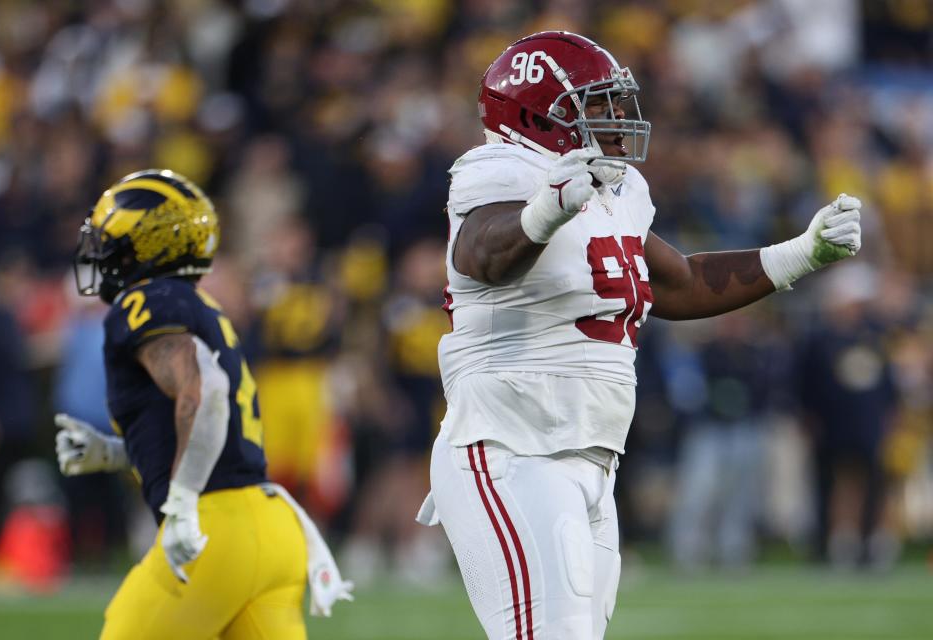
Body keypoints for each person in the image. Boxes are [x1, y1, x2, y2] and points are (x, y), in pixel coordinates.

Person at [416, 31, 862, 640]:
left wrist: (801, 254)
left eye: (616, 102)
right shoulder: (500, 169)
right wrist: (546, 209)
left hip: (590, 455)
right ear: (536, 114)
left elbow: (675, 284)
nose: (617, 118)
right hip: (510, 445)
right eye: (596, 105)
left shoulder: (615, 188)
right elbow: (479, 254)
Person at [54, 169, 351, 639]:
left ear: (147, 245)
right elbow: (210, 423)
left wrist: (183, 500)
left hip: (215, 531)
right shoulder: (198, 305)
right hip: (271, 528)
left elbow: (207, 392)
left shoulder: (146, 301)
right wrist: (115, 451)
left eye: (112, 240)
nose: (102, 253)